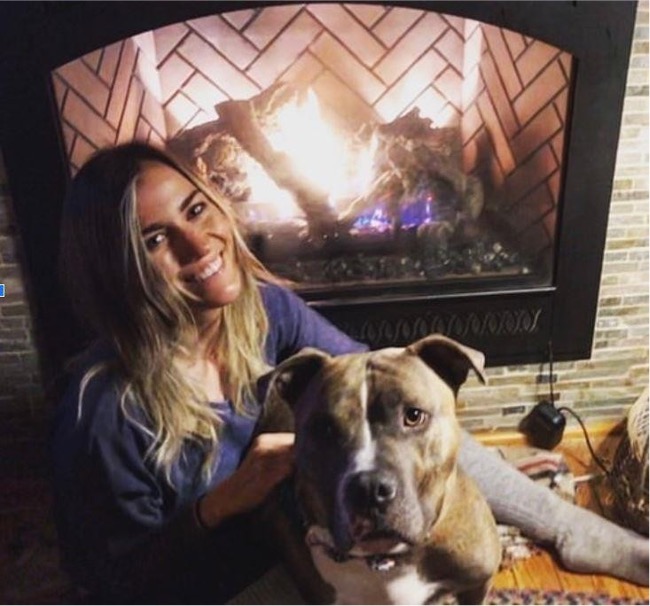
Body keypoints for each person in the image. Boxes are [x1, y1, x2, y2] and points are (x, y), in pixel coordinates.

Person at [51, 142, 648, 604]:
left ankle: (573, 528)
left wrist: (466, 456)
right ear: (119, 271)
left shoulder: (261, 310)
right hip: (222, 582)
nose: (196, 241)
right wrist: (223, 501)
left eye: (197, 208)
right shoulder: (103, 412)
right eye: (156, 239)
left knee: (404, 424)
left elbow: (382, 390)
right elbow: (118, 581)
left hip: (308, 530)